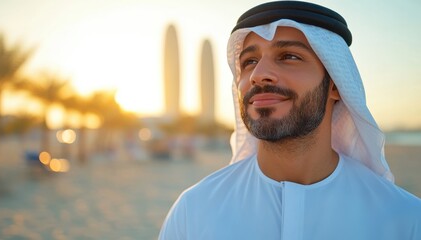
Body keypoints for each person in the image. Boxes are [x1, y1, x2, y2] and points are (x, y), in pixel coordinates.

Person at [159, 1, 421, 239]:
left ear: (336, 85)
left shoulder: (404, 220)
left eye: (289, 57)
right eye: (249, 61)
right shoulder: (193, 211)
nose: (258, 75)